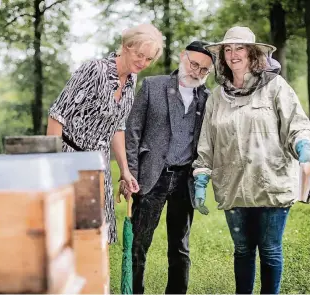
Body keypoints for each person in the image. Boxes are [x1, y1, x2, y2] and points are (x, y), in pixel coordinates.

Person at [192, 26, 310, 294]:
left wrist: (303, 147)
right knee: (242, 250)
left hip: (271, 183)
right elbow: (207, 142)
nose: (232, 54)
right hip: (233, 186)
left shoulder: (275, 86)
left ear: (253, 53)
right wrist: (201, 177)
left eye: (239, 48)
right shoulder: (217, 97)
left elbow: (296, 124)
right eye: (227, 49)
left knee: (270, 249)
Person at [46, 23, 164, 244]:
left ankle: (95, 279)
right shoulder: (94, 70)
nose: (143, 63)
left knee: (98, 236)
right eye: (140, 55)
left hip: (99, 166)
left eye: (149, 59)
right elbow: (57, 115)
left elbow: (118, 126)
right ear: (126, 46)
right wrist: (55, 167)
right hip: (71, 159)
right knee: (70, 234)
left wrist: (125, 171)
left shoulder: (131, 80)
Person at [120, 41, 214, 294]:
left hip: (185, 180)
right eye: (193, 64)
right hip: (151, 176)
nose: (196, 71)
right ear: (182, 57)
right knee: (139, 244)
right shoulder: (153, 86)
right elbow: (132, 133)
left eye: (204, 70)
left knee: (180, 248)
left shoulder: (208, 99)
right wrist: (129, 173)